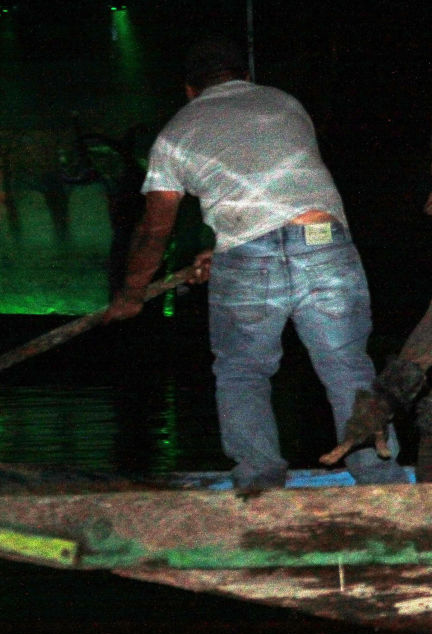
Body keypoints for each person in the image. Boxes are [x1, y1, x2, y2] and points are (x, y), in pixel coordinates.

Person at [104, 37, 408, 493]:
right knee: (347, 365)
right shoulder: (285, 105)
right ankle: (382, 479)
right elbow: (276, 187)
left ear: (189, 90)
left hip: (247, 252)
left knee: (242, 370)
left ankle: (260, 482)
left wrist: (130, 293)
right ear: (246, 76)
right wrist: (225, 250)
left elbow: (154, 229)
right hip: (323, 240)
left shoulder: (175, 133)